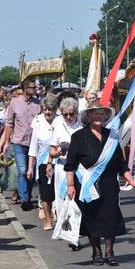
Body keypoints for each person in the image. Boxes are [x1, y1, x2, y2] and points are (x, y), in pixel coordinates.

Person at [65, 103, 135, 266]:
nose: (99, 117)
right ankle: (96, 252)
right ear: (89, 117)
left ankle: (109, 252)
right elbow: (70, 164)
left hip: (108, 185)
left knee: (110, 218)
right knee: (92, 218)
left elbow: (121, 164)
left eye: (102, 114)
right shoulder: (79, 137)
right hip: (87, 185)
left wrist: (130, 178)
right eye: (96, 114)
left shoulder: (112, 136)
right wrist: (70, 185)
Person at [0, 79, 41, 211]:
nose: (35, 90)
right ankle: (24, 198)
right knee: (22, 170)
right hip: (19, 142)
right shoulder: (14, 103)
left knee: (30, 172)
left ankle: (26, 198)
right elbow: (9, 123)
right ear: (26, 88)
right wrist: (6, 142)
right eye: (33, 88)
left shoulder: (38, 104)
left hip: (34, 143)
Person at [50, 97, 82, 238]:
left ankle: (78, 227)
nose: (68, 117)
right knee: (62, 199)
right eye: (65, 114)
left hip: (79, 168)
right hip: (62, 167)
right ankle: (65, 228)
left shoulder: (83, 127)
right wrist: (57, 153)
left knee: (78, 198)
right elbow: (52, 150)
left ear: (77, 112)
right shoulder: (58, 128)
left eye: (71, 114)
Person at [28, 94, 59, 231]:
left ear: (56, 109)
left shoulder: (60, 121)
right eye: (45, 109)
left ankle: (61, 217)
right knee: (46, 194)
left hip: (60, 162)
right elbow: (33, 146)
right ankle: (48, 220)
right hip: (43, 162)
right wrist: (30, 167)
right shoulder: (38, 121)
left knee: (60, 192)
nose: (48, 112)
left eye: (51, 109)